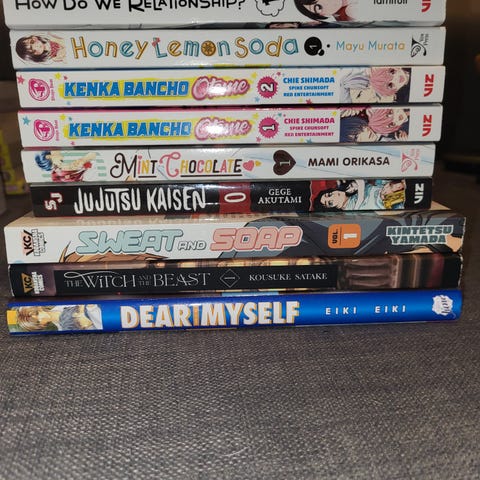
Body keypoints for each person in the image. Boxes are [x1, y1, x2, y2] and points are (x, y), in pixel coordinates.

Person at [312, 179, 406, 211]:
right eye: (330, 202)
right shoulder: (352, 210)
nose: (334, 196)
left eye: (329, 194)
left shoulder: (349, 190)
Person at [11, 305, 103, 332]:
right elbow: (98, 328)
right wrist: (91, 310)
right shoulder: (65, 328)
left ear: (39, 308)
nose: (42, 317)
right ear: (41, 326)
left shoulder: (60, 303)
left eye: (37, 313)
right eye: (38, 321)